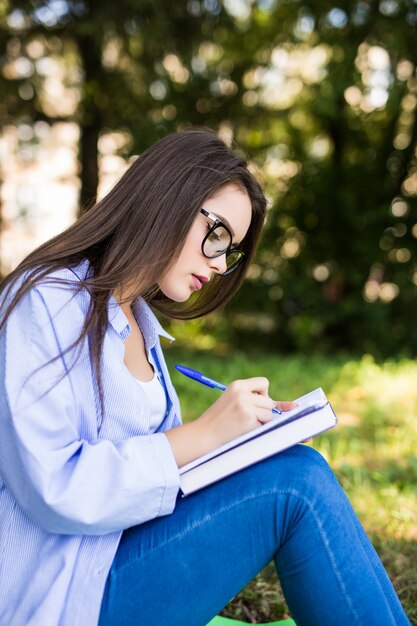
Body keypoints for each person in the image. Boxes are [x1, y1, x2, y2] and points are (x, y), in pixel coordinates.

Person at [0, 129, 410, 626]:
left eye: (229, 250)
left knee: (298, 470)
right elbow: (54, 487)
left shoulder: (141, 325)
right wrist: (200, 434)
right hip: (63, 594)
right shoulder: (47, 300)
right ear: (167, 197)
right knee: (297, 484)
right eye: (216, 235)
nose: (218, 265)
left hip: (119, 561)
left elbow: (155, 483)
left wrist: (236, 443)